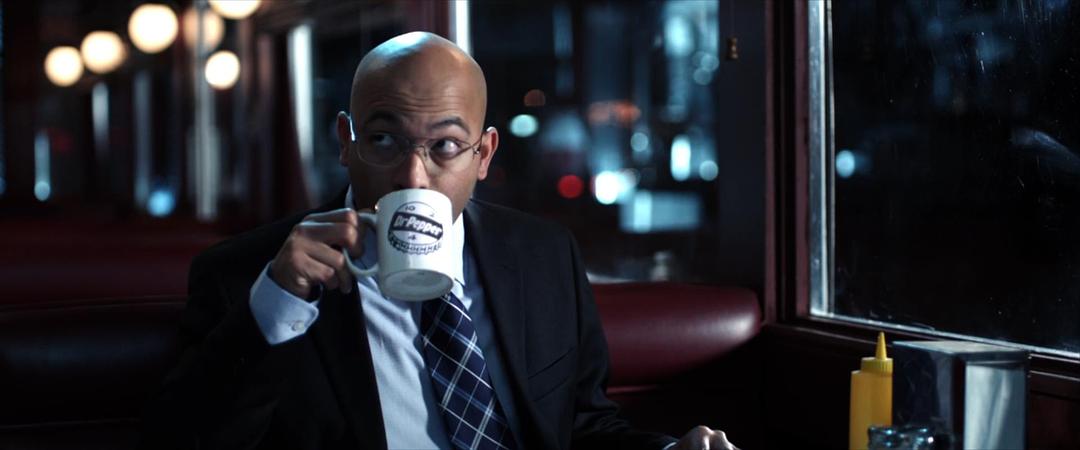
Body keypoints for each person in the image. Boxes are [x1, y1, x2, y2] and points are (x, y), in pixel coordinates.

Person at [141, 31, 738, 450]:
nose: (413, 176)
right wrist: (278, 303)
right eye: (384, 140)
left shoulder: (542, 254)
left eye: (446, 146)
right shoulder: (249, 274)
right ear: (346, 141)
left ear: (484, 155)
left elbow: (582, 427)